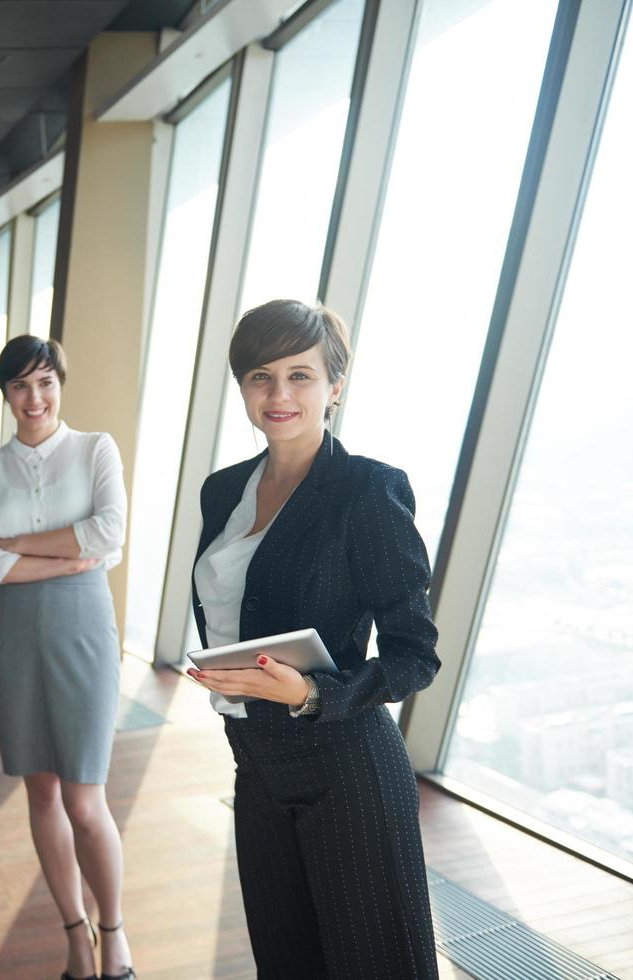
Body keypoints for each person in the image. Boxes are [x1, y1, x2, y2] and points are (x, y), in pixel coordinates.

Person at [186, 299, 441, 979]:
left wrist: (310, 693)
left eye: (300, 376)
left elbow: (416, 655)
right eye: (260, 376)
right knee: (287, 964)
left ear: (335, 385)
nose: (278, 395)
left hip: (347, 766)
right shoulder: (221, 492)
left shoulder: (367, 491)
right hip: (256, 764)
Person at [0, 336, 135, 980]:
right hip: (13, 635)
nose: (35, 398)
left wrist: (16, 551)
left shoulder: (95, 450)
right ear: (5, 395)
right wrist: (59, 556)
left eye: (45, 383)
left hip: (83, 625)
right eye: (19, 387)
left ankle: (113, 931)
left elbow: (108, 535)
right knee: (41, 791)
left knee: (85, 799)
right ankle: (73, 931)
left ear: (61, 383)